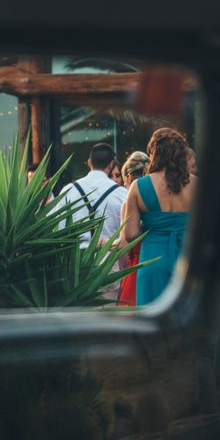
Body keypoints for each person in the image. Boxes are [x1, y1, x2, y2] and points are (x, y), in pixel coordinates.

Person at [122, 129, 196, 305]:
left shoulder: (138, 186)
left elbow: (130, 235)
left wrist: (153, 226)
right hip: (188, 260)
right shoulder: (198, 185)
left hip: (152, 260)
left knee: (151, 324)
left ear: (154, 154)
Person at [57, 143, 127, 248]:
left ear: (90, 163)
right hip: (109, 257)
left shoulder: (68, 190)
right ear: (111, 164)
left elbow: (59, 229)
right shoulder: (121, 193)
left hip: (75, 259)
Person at [116, 151, 150, 307]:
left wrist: (100, 242)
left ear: (128, 177)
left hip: (137, 267)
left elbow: (124, 244)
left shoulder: (128, 205)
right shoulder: (154, 201)